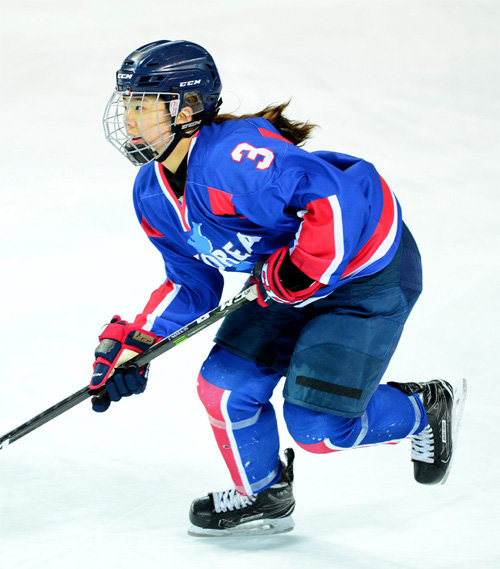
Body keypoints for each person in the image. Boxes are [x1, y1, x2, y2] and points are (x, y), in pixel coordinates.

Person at [93, 39, 465, 537]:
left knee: (316, 429)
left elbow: (332, 201)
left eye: (142, 104)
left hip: (364, 277)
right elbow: (191, 282)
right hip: (284, 283)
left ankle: (424, 407)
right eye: (127, 104)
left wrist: (297, 273)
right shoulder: (151, 193)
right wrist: (137, 343)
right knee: (224, 389)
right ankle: (264, 494)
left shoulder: (235, 158)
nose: (129, 119)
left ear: (186, 107)